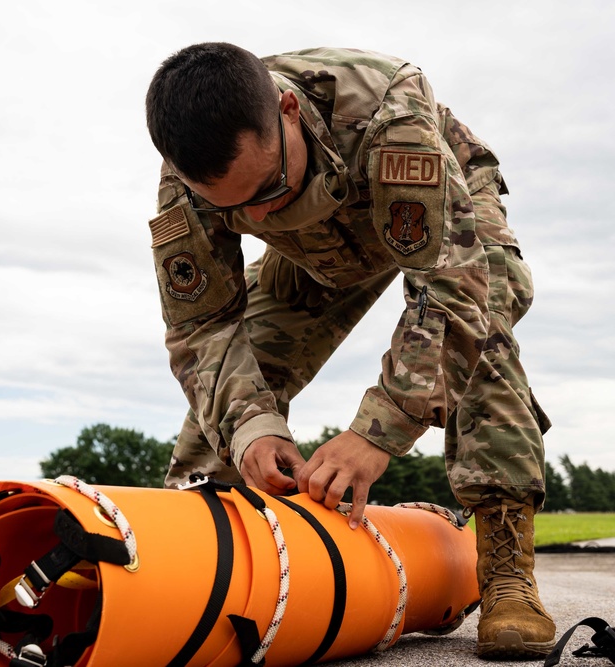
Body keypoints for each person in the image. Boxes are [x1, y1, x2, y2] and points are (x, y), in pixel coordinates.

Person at [144, 43, 555, 658]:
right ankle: (190, 557)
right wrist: (253, 430)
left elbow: (455, 288)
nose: (259, 213)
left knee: (483, 323)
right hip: (313, 251)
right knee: (229, 404)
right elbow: (203, 329)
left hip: (443, 214)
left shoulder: (391, 116)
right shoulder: (190, 180)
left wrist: (376, 433)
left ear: (287, 108)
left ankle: (506, 572)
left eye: (269, 186)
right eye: (235, 207)